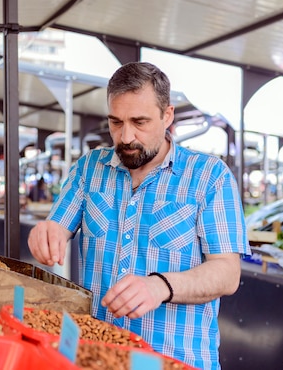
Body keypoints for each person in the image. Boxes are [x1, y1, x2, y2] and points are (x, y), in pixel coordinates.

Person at [27, 62, 251, 370]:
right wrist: (46, 232)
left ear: (167, 115)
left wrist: (160, 286)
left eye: (139, 122)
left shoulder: (209, 176)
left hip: (175, 360)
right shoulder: (89, 168)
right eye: (116, 122)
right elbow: (57, 228)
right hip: (97, 356)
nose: (126, 136)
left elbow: (227, 273)